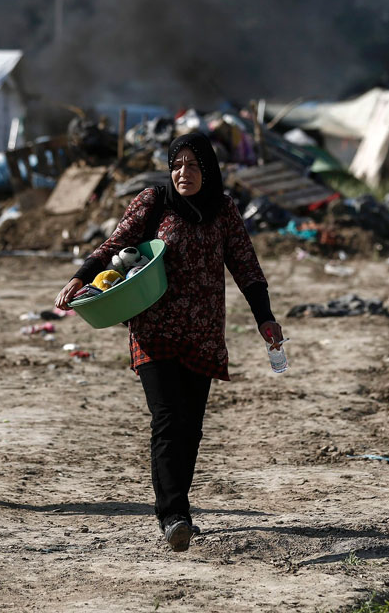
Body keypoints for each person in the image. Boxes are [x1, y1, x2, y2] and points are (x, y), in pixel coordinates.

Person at [55, 131, 285, 552]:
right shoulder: (153, 202)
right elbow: (116, 243)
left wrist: (265, 318)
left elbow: (247, 267)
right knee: (167, 418)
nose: (184, 172)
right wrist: (81, 277)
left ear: (208, 169)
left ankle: (177, 509)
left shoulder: (223, 210)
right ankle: (174, 515)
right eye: (177, 164)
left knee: (191, 428)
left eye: (193, 164)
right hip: (154, 330)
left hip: (203, 334)